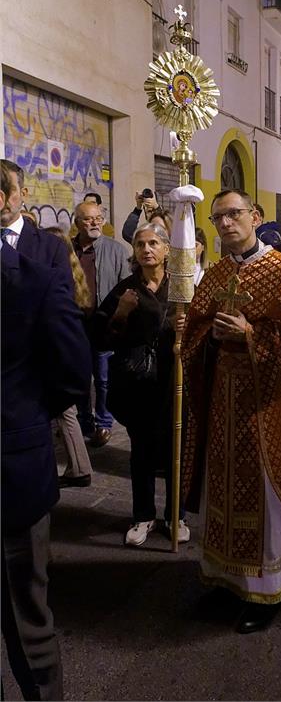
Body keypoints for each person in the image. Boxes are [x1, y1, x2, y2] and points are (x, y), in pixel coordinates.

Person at [180, 189, 281, 634]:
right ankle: (224, 578)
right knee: (221, 490)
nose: (226, 223)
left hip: (268, 407)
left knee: (265, 495)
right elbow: (192, 337)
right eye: (218, 218)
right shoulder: (213, 275)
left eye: (234, 214)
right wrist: (206, 337)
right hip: (222, 403)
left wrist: (251, 332)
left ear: (255, 216)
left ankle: (267, 588)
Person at [1, 163, 92, 701]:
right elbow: (71, 364)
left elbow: (69, 363)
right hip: (17, 452)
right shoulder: (30, 272)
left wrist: (35, 418)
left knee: (25, 611)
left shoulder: (40, 260)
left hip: (13, 461)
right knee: (25, 610)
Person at [93, 223, 189, 547]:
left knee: (177, 450)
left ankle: (176, 516)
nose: (146, 249)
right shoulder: (125, 289)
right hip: (140, 385)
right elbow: (101, 336)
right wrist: (120, 312)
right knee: (143, 453)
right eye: (140, 244)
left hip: (175, 382)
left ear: (165, 249)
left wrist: (185, 326)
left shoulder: (182, 286)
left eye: (153, 243)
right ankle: (143, 515)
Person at [73, 202, 130, 446]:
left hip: (103, 325)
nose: (96, 223)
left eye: (98, 217)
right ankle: (84, 420)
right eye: (88, 219)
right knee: (80, 376)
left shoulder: (116, 250)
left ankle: (104, 423)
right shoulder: (66, 249)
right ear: (78, 223)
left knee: (104, 378)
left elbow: (125, 287)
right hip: (75, 325)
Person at [45, 227, 93, 488]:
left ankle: (80, 468)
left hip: (60, 354)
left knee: (66, 412)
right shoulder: (73, 273)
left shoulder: (58, 276)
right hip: (68, 352)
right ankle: (78, 466)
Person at [0, 159, 72, 288]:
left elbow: (61, 301)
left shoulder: (52, 247)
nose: (2, 199)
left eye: (9, 190)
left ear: (24, 194)